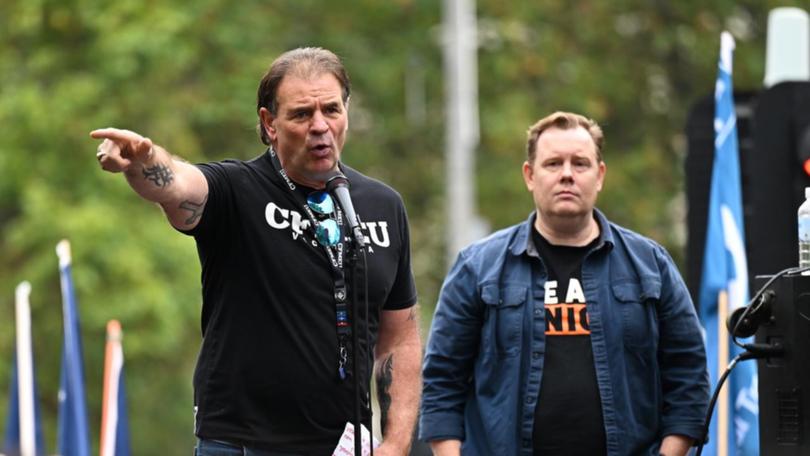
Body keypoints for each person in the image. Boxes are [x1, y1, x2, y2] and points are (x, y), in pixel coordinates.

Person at [91, 47, 421, 456]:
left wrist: (395, 442)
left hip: (341, 445)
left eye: (331, 110)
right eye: (302, 114)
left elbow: (399, 339)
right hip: (241, 444)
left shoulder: (382, 205)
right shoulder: (237, 190)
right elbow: (177, 185)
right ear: (269, 124)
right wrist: (142, 160)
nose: (320, 126)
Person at [419, 111, 709, 456]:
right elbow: (441, 381)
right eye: (553, 163)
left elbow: (688, 375)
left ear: (599, 175)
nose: (567, 175)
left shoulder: (650, 264)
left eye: (580, 164)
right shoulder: (478, 268)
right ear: (530, 175)